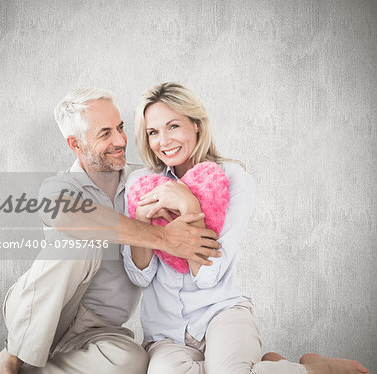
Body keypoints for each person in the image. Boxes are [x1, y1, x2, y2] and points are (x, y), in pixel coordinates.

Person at [0, 88, 222, 374]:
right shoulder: (58, 187)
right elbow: (68, 215)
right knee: (81, 241)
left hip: (99, 328)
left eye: (120, 128)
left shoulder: (143, 181)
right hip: (44, 313)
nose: (121, 140)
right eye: (105, 133)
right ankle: (9, 361)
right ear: (75, 144)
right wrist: (163, 238)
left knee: (132, 361)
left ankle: (1, 365)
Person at [122, 82, 369, 374]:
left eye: (173, 126)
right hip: (165, 331)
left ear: (197, 125)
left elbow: (208, 276)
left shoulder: (232, 178)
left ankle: (318, 370)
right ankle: (272, 366)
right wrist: (140, 222)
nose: (163, 141)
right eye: (153, 132)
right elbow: (140, 276)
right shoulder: (141, 184)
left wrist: (190, 207)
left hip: (221, 312)